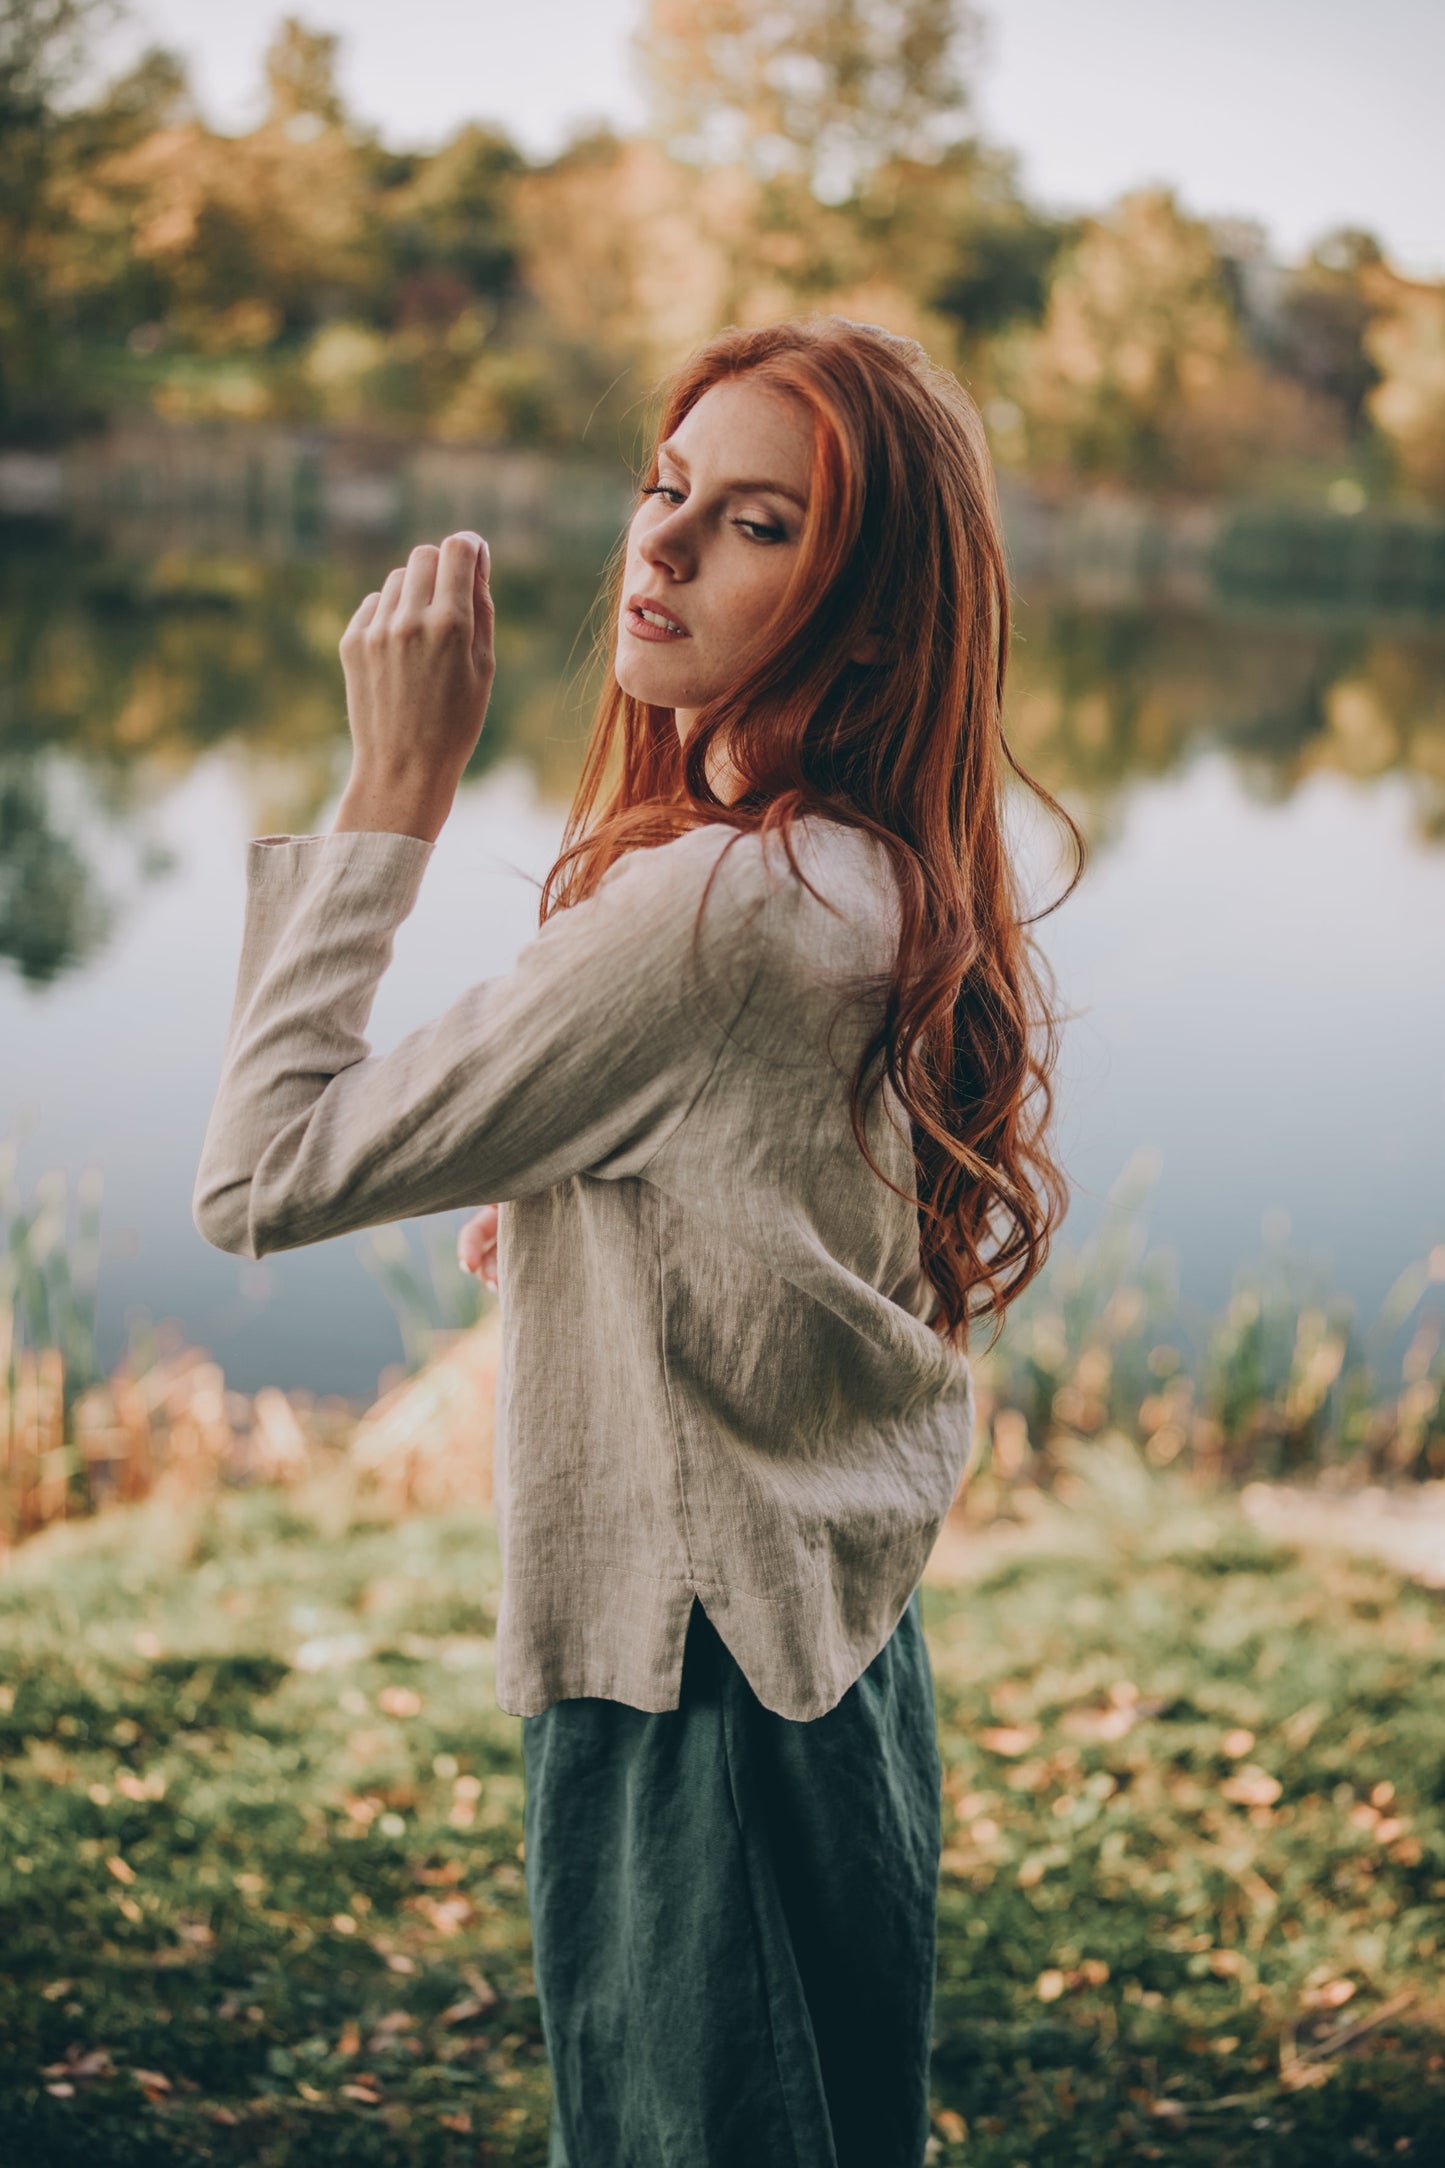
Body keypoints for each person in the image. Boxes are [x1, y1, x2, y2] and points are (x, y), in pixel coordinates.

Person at [193, 314, 1082, 2168]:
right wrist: (600, 1226)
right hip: (833, 1676)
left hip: (690, 1703)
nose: (659, 551)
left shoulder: (716, 914)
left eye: (756, 524)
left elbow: (261, 1172)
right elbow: (795, 1232)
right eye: (665, 491)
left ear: (878, 611)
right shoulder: (875, 873)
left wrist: (396, 788)